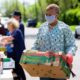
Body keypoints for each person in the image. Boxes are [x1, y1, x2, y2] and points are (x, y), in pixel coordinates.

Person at [32, 4, 77, 80]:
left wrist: (69, 54)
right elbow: (37, 44)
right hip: (43, 65)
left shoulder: (64, 28)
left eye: (50, 14)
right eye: (46, 14)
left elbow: (71, 45)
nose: (48, 16)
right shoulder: (42, 27)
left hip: (59, 66)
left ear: (57, 15)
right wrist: (31, 52)